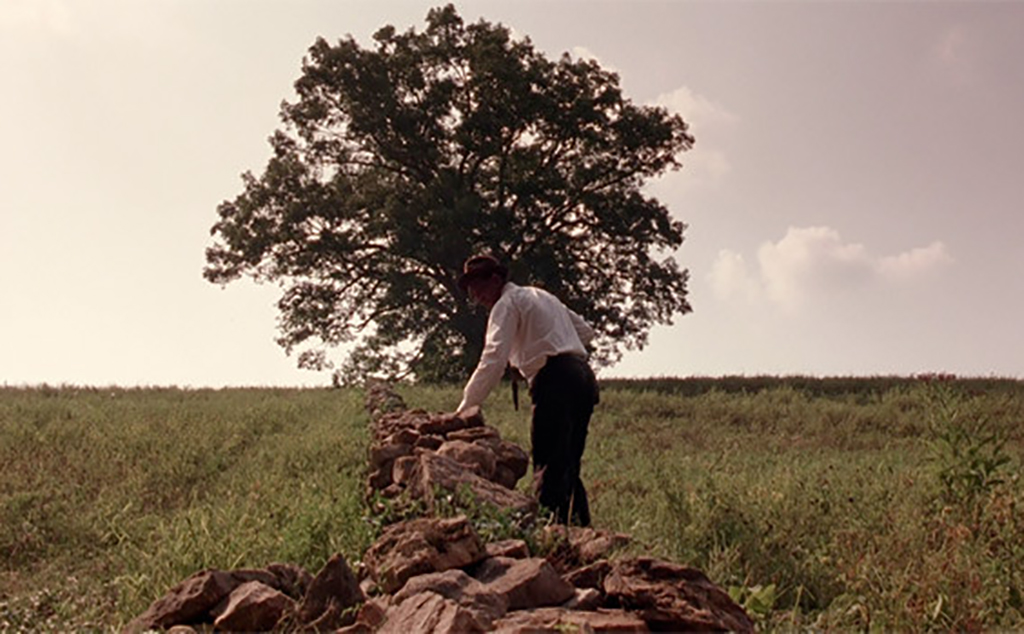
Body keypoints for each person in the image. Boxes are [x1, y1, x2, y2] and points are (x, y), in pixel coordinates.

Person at [454, 254, 599, 526]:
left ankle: (550, 533)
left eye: (479, 287)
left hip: (554, 380)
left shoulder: (506, 304)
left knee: (548, 463)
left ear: (496, 279)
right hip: (582, 378)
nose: (476, 296)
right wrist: (552, 342)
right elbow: (586, 332)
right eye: (471, 290)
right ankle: (581, 531)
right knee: (568, 462)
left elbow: (493, 358)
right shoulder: (542, 296)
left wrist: (465, 408)